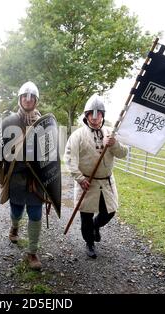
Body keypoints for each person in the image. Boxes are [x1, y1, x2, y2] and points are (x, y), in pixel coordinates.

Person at [63, 93, 128, 259]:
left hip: (106, 182)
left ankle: (95, 226)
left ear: (102, 115)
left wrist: (114, 144)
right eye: (91, 113)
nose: (94, 117)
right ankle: (89, 242)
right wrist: (79, 178)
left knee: (109, 212)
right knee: (86, 215)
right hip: (87, 182)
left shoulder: (111, 133)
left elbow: (123, 153)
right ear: (86, 115)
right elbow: (69, 159)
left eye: (98, 113)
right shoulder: (77, 136)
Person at [0, 81, 45, 270]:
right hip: (16, 176)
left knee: (35, 214)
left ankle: (32, 252)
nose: (28, 99)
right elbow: (3, 152)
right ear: (19, 99)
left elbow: (50, 154)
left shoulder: (45, 122)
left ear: (36, 100)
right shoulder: (8, 122)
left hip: (36, 178)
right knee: (17, 210)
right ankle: (15, 226)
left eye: (31, 96)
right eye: (25, 96)